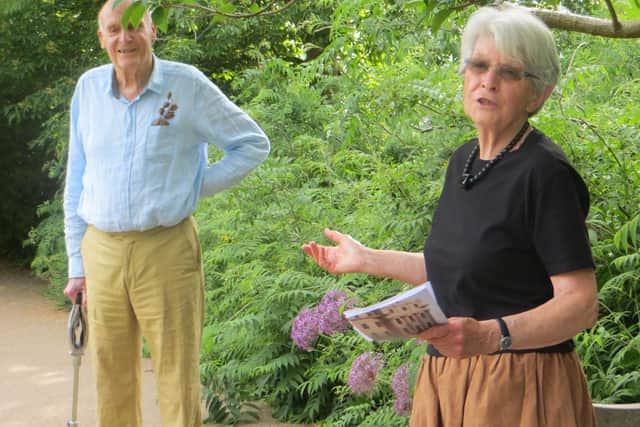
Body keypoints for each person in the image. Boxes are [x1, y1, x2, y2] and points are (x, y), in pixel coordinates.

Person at [302, 5, 598, 427]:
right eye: (478, 64)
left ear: (539, 94)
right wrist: (367, 259)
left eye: (509, 72)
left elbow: (580, 305)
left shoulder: (545, 173)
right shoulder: (465, 160)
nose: (488, 80)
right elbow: (460, 270)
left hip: (519, 385)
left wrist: (489, 335)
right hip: (446, 376)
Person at [62, 1, 270, 426]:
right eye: (115, 29)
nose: (126, 38)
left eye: (136, 26)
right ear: (101, 38)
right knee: (110, 374)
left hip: (167, 249)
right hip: (101, 250)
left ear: (153, 32)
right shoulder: (87, 90)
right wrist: (76, 264)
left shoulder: (186, 86)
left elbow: (252, 143)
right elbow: (77, 178)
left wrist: (194, 188)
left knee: (177, 373)